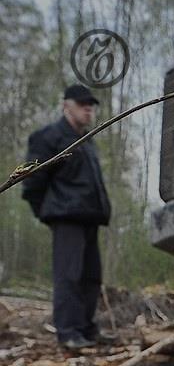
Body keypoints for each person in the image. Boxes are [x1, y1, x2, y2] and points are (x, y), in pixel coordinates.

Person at [21, 84, 111, 349]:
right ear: (66, 106)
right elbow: (32, 181)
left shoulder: (88, 141)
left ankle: (85, 328)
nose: (88, 109)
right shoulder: (48, 137)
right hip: (66, 217)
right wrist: (46, 213)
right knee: (68, 276)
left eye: (91, 105)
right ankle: (68, 332)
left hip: (90, 217)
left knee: (91, 277)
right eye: (82, 104)